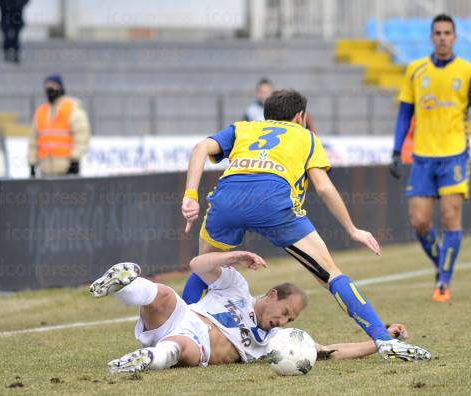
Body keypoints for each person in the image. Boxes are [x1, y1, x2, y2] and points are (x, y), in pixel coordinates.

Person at [181, 89, 430, 361]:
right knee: (332, 275)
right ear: (300, 116)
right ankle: (383, 341)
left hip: (227, 199)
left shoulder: (242, 128)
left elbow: (200, 148)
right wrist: (352, 229)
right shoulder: (306, 136)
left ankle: (179, 328)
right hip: (274, 201)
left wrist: (190, 195)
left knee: (203, 268)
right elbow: (323, 187)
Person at [90, 251, 423, 373]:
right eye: (285, 313)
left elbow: (328, 351)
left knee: (180, 347)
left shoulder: (274, 341)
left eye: (291, 320)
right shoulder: (235, 287)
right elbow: (196, 265)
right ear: (273, 294)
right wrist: (231, 257)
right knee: (161, 295)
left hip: (199, 344)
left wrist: (379, 343)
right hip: (185, 316)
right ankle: (125, 284)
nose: (284, 321)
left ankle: (146, 360)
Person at [389, 14, 471, 303]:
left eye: (448, 33)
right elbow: (404, 113)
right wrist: (396, 150)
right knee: (419, 222)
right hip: (422, 158)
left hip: (455, 156)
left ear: (454, 37)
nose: (443, 37)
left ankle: (443, 282)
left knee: (449, 217)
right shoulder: (415, 70)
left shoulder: (469, 72)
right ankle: (442, 264)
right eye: (438, 33)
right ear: (432, 37)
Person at [28, 74, 91, 177]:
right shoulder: (41, 111)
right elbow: (33, 141)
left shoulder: (72, 107)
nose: (49, 89)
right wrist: (32, 163)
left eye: (53, 86)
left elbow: (81, 136)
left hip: (67, 168)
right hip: (45, 171)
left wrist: (74, 160)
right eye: (47, 87)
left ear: (60, 87)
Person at [243, 78, 317, 133]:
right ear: (257, 93)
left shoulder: (279, 108)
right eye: (262, 92)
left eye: (266, 92)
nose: (264, 95)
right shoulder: (251, 111)